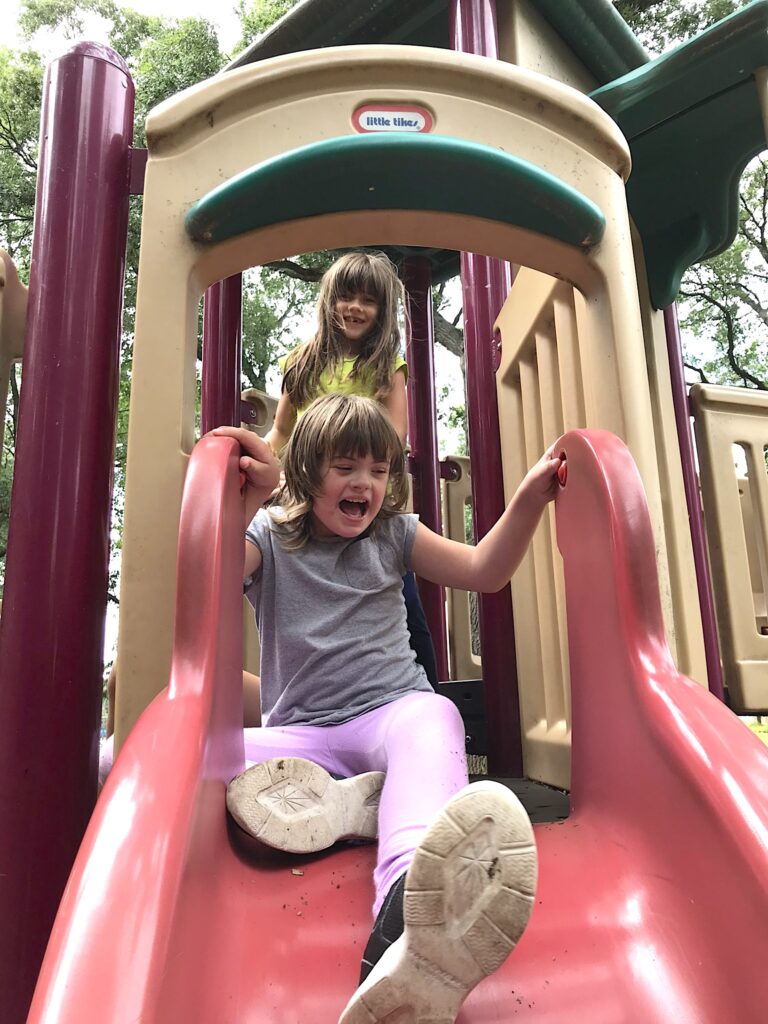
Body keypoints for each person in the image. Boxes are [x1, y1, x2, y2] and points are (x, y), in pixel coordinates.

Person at [212, 393, 561, 1023]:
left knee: (434, 718)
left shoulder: (396, 534)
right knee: (193, 756)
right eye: (347, 466)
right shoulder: (269, 534)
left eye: (379, 470)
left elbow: (485, 570)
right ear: (309, 469)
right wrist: (244, 502)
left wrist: (531, 498)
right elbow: (208, 579)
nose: (365, 483)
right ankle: (358, 798)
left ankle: (408, 900)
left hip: (388, 710)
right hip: (299, 735)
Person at [263, 249, 439, 690]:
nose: (355, 308)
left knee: (402, 601)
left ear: (382, 311)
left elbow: (394, 439)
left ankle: (428, 696)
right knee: (302, 603)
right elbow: (280, 432)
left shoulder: (384, 366)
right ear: (329, 300)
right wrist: (255, 466)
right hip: (306, 501)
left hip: (365, 509)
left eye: (368, 300)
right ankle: (316, 702)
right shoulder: (302, 362)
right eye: (346, 296)